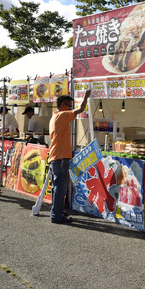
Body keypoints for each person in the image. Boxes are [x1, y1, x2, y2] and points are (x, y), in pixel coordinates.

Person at [48, 91, 90, 223]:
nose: (71, 108)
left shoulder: (54, 116)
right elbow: (81, 109)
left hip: (57, 157)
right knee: (60, 188)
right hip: (60, 158)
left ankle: (57, 211)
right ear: (62, 105)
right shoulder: (62, 115)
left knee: (58, 188)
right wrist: (86, 97)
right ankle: (56, 215)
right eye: (69, 105)